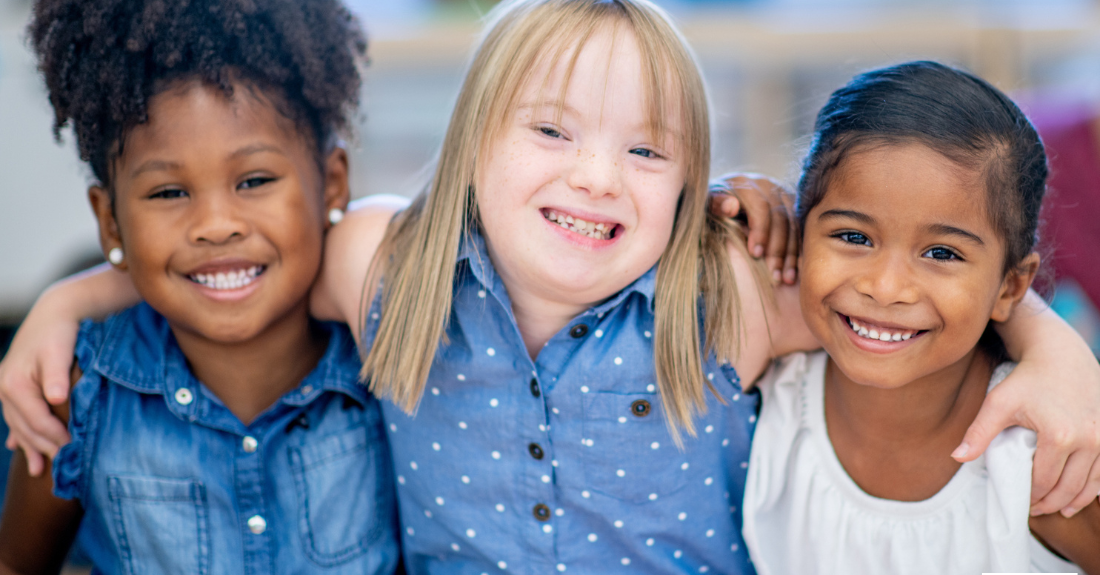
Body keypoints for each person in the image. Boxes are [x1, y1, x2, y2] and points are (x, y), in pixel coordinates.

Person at [2, 1, 1100, 573]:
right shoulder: (382, 266)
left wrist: (1059, 353)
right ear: (475, 137)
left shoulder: (723, 289)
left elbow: (902, 301)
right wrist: (64, 303)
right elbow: (234, 261)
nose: (593, 174)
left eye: (644, 149)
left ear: (689, 180)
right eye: (550, 130)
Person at [0, 0, 400, 572]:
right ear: (109, 221)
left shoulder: (388, 369)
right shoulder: (78, 398)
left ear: (333, 185)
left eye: (255, 180)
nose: (216, 225)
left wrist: (68, 295)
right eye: (169, 192)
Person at [742, 61, 1100, 575]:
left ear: (1011, 287)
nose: (885, 288)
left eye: (942, 254)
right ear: (797, 233)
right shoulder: (764, 392)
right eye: (853, 237)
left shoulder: (1045, 459)